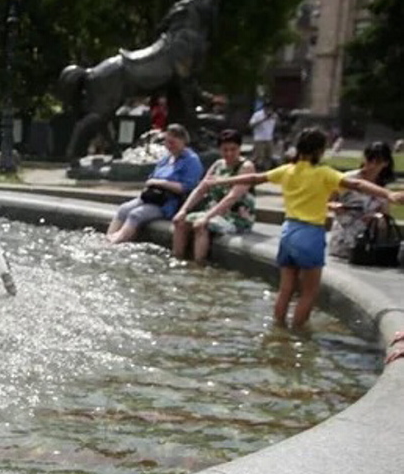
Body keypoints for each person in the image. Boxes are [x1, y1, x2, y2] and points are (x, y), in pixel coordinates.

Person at [200, 128, 404, 329]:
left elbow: (254, 179)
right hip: (310, 234)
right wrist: (388, 195)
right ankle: (298, 332)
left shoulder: (287, 170)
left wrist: (221, 180)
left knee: (286, 289)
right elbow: (357, 185)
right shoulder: (324, 173)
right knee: (309, 292)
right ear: (320, 151)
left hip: (288, 232)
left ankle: (278, 329)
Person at [107, 124, 205, 244]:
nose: (169, 146)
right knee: (123, 209)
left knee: (135, 214)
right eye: (167, 142)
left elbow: (186, 188)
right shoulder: (166, 158)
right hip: (151, 197)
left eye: (172, 143)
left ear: (183, 141)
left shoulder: (192, 161)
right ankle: (108, 238)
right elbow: (152, 177)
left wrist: (162, 183)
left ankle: (116, 242)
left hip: (168, 203)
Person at [171, 129, 256, 264]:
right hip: (215, 212)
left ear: (240, 148)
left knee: (201, 225)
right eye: (225, 150)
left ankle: (199, 264)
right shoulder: (218, 164)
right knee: (179, 222)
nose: (229, 153)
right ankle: (176, 259)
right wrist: (183, 210)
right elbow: (201, 189)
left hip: (236, 217)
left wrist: (207, 217)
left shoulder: (246, 167)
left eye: (233, 149)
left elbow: (232, 197)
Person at [328, 142, 396, 260]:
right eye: (370, 161)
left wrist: (376, 217)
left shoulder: (383, 188)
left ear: (385, 163)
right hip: (343, 238)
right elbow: (326, 200)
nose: (372, 166)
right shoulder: (348, 179)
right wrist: (335, 206)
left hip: (366, 243)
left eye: (378, 162)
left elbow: (385, 216)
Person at [248, 101, 277, 170]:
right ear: (264, 108)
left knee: (269, 156)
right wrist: (264, 119)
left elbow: (276, 126)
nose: (269, 110)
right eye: (267, 108)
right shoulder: (257, 115)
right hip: (259, 139)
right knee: (260, 157)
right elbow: (251, 125)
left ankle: (267, 171)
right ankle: (257, 169)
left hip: (269, 139)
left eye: (270, 108)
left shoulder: (274, 115)